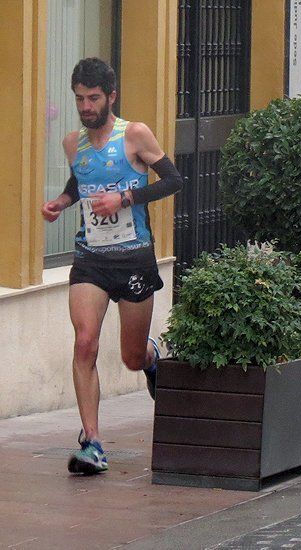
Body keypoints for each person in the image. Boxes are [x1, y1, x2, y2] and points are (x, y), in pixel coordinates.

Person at [40, 58, 184, 475]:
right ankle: (93, 442)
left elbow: (173, 181)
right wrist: (62, 204)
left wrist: (124, 199)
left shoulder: (133, 135)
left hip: (134, 256)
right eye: (80, 99)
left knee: (131, 357)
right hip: (91, 259)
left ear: (111, 97)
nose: (85, 107)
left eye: (93, 98)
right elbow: (79, 183)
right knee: (85, 342)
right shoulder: (73, 144)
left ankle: (154, 358)